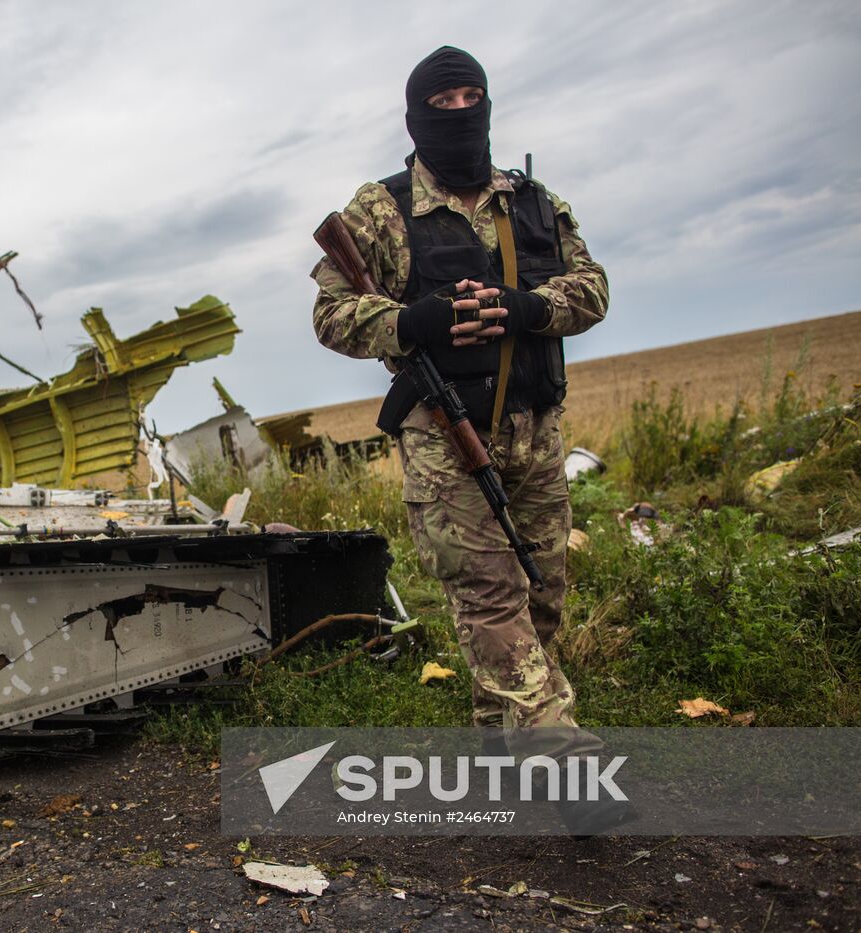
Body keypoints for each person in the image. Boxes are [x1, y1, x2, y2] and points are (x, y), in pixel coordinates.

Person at [311, 47, 622, 827]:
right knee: (490, 599)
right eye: (442, 100)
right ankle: (568, 768)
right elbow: (331, 313)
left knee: (540, 597)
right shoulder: (379, 210)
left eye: (470, 96)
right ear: (416, 116)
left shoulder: (534, 201)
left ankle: (498, 746)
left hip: (536, 430)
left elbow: (593, 289)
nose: (458, 111)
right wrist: (410, 321)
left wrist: (525, 308)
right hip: (442, 438)